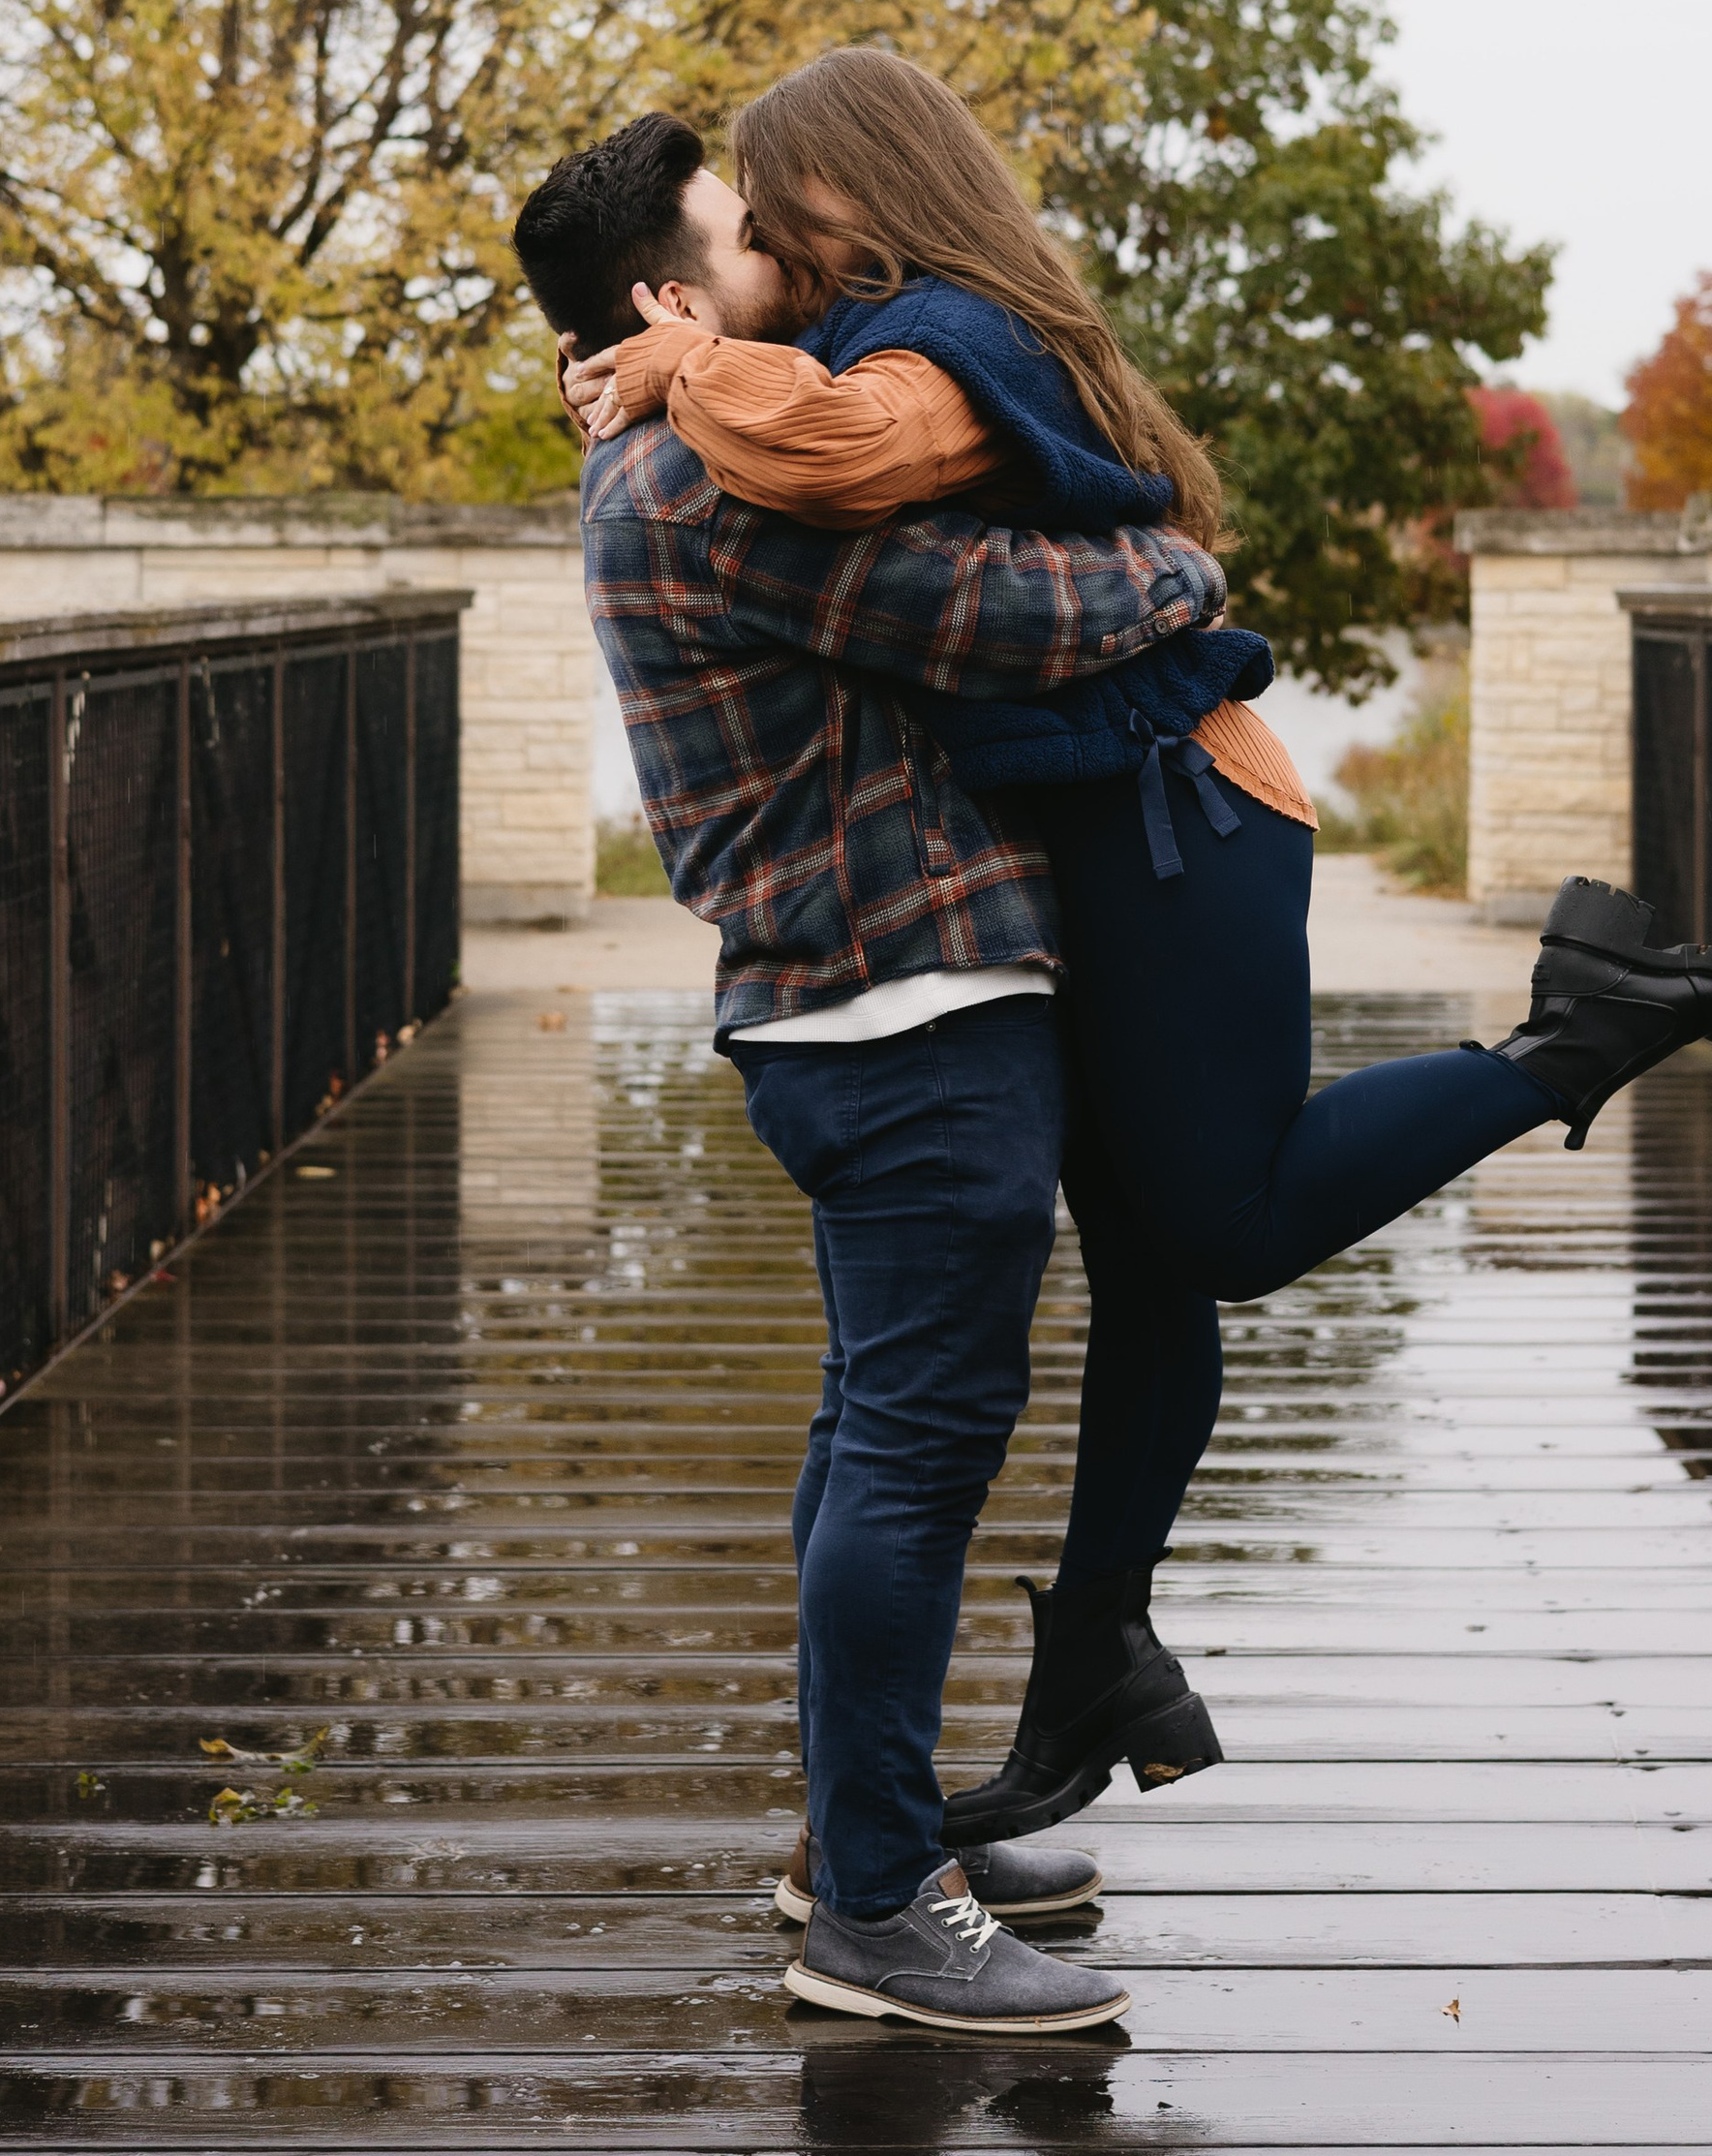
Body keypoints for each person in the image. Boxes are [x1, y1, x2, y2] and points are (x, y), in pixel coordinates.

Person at [560, 51, 1712, 1855]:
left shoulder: (924, 345)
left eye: (773, 207)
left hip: (1178, 812)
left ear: (851, 192)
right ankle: (1100, 1658)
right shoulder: (875, 347)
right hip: (1112, 823)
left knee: (1216, 1225)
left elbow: (886, 498)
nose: (771, 244)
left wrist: (680, 361)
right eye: (736, 228)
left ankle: (1564, 1043)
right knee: (1145, 1256)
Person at [515, 111, 1217, 2036]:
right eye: (745, 236)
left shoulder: (675, 457)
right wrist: (1172, 564)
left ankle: (865, 1835)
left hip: (857, 1005)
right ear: (670, 298)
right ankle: (881, 1916)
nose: (792, 255)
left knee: (875, 1435)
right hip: (901, 1005)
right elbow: (987, 610)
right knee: (912, 1452)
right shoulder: (698, 482)